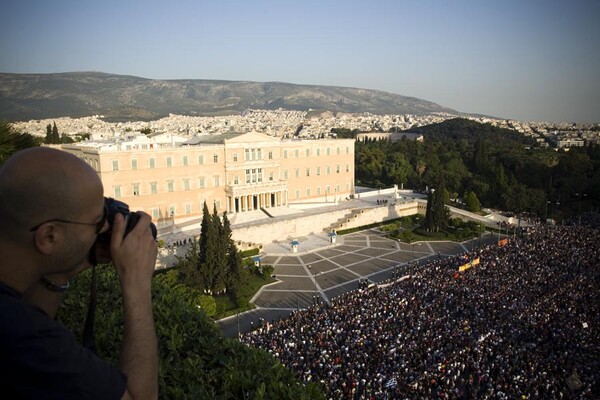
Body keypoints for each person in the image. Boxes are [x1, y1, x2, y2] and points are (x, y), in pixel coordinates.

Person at [0, 147, 158, 399]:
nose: (106, 227)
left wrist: (63, 269)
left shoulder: (15, 315)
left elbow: (34, 315)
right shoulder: (22, 339)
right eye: (98, 222)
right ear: (49, 236)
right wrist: (137, 284)